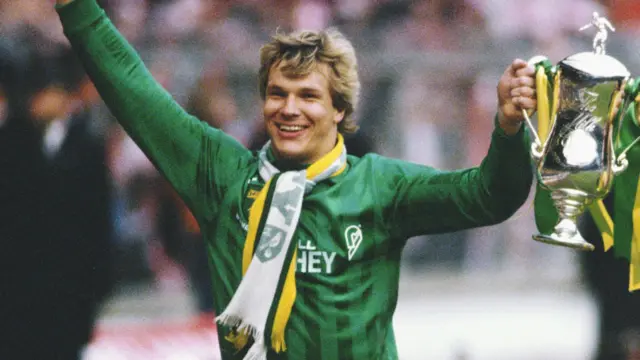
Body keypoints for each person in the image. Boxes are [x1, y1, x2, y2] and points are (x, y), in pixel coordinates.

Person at [53, 0, 537, 359]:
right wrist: (78, 10)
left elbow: (487, 197)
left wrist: (510, 128)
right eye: (277, 93)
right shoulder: (223, 176)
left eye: (308, 96)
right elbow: (136, 94)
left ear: (340, 110)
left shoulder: (380, 186)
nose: (288, 108)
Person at [0, 39, 113, 359]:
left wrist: (95, 289)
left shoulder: (87, 148)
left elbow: (98, 223)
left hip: (69, 299)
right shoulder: (11, 143)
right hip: (15, 302)